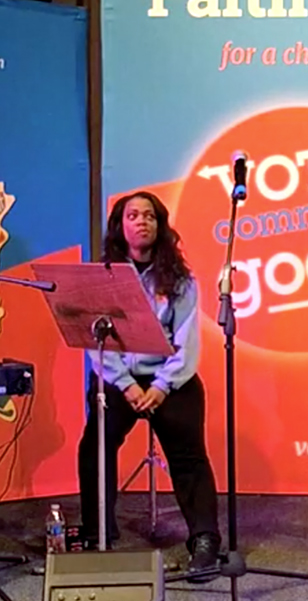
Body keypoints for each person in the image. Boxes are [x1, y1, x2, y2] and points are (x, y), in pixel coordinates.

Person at [78, 191, 221, 578]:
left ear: (160, 226)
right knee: (95, 444)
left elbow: (187, 342)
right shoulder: (102, 278)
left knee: (189, 454)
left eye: (149, 216)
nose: (141, 222)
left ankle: (205, 539)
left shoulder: (181, 280)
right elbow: (95, 340)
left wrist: (160, 386)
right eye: (133, 216)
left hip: (169, 381)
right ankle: (97, 535)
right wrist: (126, 385)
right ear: (120, 227)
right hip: (120, 379)